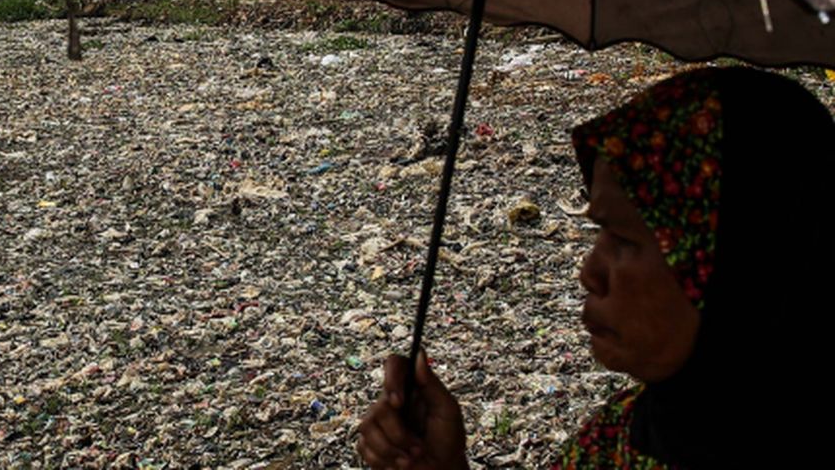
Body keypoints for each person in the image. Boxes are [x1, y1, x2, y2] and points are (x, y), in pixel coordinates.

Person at [357, 67, 834, 469]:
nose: (589, 272)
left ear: (741, 266)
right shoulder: (616, 442)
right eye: (598, 233)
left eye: (624, 240)